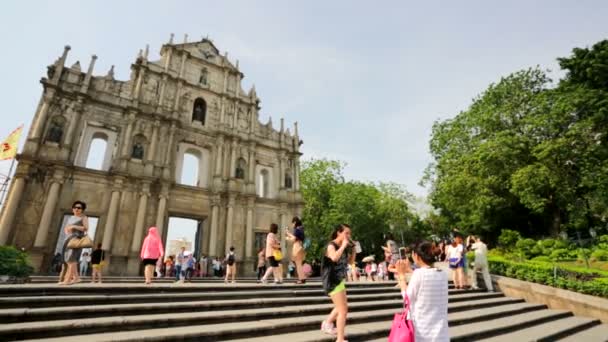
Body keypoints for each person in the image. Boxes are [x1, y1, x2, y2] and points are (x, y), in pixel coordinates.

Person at [395, 241, 449, 341]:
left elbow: (407, 297)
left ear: (416, 255)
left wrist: (401, 275)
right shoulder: (442, 273)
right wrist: (410, 270)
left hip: (423, 332)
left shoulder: (419, 274)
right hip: (441, 333)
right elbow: (427, 278)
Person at [320, 223, 354, 342]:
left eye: (349, 233)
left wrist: (354, 250)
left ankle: (327, 323)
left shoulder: (342, 246)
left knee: (341, 307)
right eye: (346, 233)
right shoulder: (332, 245)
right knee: (343, 310)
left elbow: (350, 262)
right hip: (331, 280)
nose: (349, 235)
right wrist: (344, 246)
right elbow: (334, 258)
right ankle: (340, 339)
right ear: (339, 233)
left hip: (339, 280)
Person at [59, 201, 89, 285]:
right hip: (68, 239)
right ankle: (76, 278)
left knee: (71, 259)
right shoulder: (71, 218)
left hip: (77, 239)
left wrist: (74, 226)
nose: (76, 209)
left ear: (82, 209)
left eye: (79, 208)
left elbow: (86, 228)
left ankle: (67, 280)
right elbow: (66, 228)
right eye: (75, 207)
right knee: (69, 259)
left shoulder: (84, 217)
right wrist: (67, 230)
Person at [285, 216, 307, 284]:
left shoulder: (297, 229)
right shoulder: (301, 229)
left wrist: (288, 233)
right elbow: (296, 239)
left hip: (297, 247)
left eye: (292, 223)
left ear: (295, 222)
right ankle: (302, 278)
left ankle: (301, 279)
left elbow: (294, 238)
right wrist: (288, 238)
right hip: (301, 246)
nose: (292, 225)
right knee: (299, 264)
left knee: (298, 264)